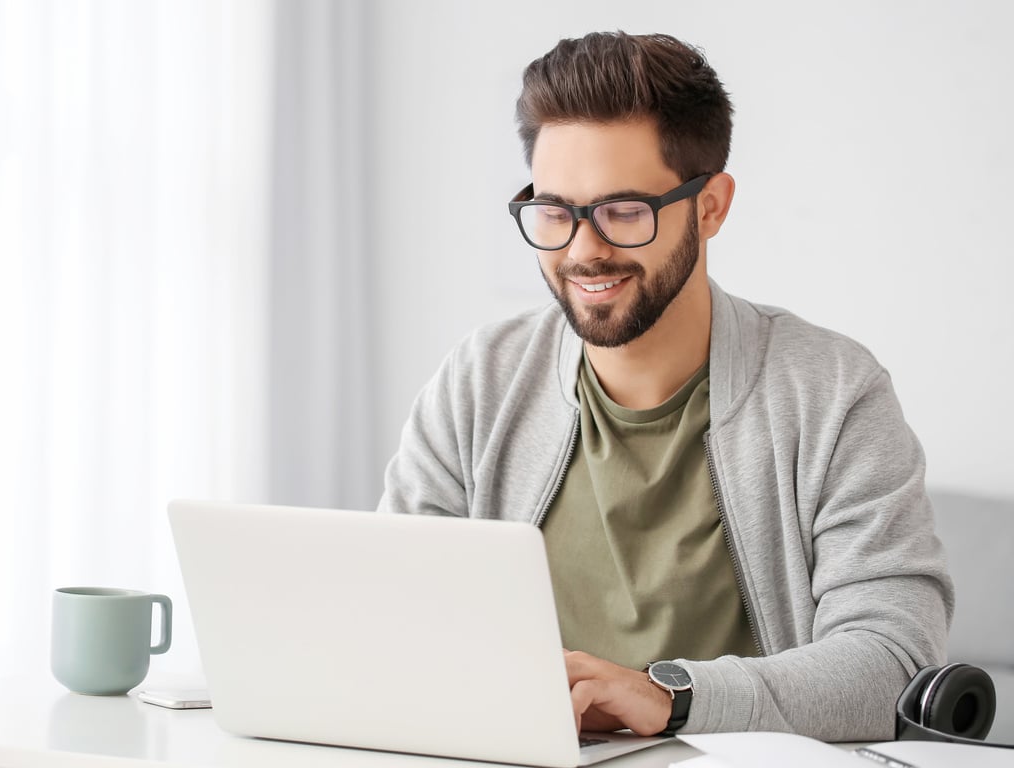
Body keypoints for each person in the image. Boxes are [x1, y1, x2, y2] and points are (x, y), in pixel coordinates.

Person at [376, 31, 953, 741]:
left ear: (710, 206)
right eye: (556, 210)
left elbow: (892, 664)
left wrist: (670, 696)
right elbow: (397, 615)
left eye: (623, 210)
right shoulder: (480, 382)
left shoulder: (833, 392)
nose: (584, 249)